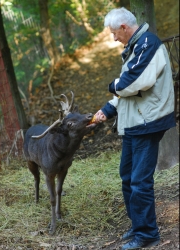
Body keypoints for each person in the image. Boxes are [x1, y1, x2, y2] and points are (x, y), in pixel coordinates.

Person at [94, 7, 176, 250]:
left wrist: (113, 85)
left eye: (114, 33)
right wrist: (109, 109)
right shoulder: (135, 47)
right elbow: (131, 91)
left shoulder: (148, 44)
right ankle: (138, 224)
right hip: (135, 122)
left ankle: (148, 234)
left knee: (140, 181)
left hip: (147, 122)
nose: (113, 38)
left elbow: (131, 82)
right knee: (128, 177)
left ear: (124, 28)